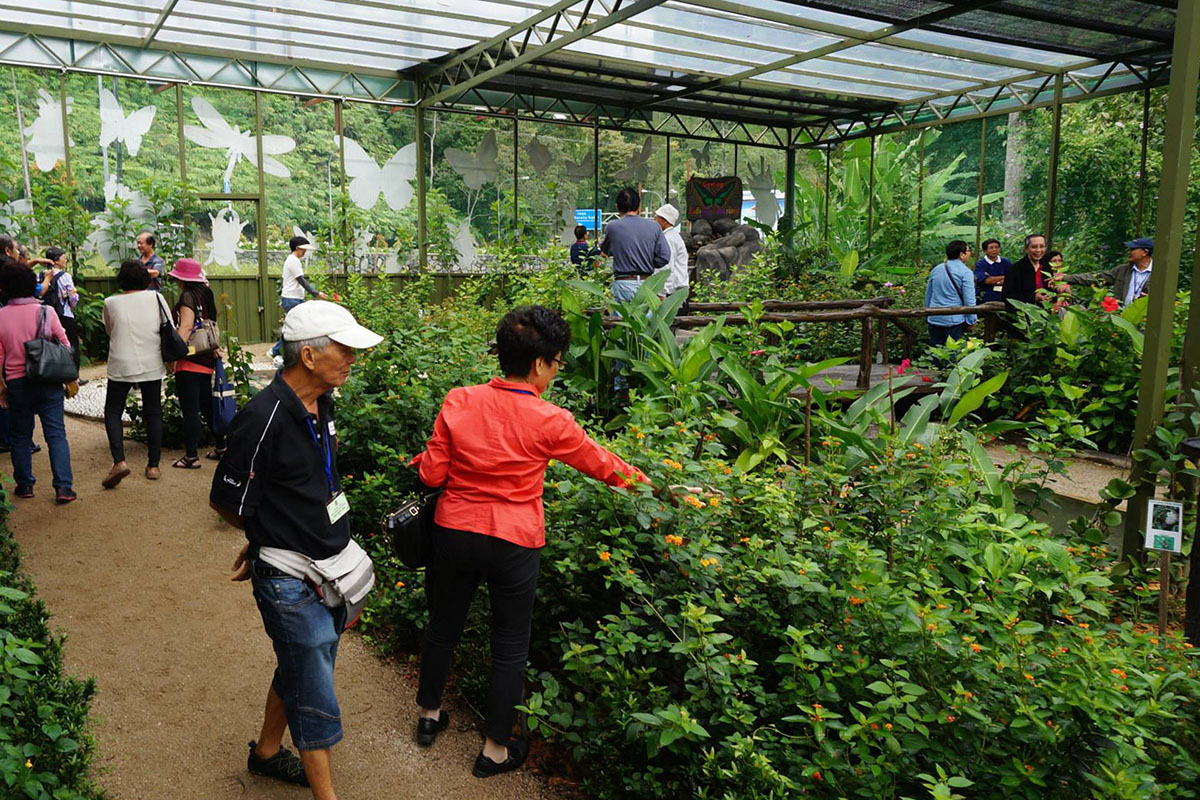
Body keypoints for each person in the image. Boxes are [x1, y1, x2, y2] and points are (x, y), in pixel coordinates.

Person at [411, 305, 652, 778]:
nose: (556, 371)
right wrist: (654, 487)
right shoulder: (551, 420)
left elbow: (432, 475)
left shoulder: (459, 401)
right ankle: (494, 751)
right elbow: (602, 464)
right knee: (509, 645)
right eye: (557, 362)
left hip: (455, 531)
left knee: (442, 627)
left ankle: (428, 716)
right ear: (540, 363)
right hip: (514, 541)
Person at [211, 300, 382, 800]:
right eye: (344, 350)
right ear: (308, 355)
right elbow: (226, 501)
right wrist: (264, 541)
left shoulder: (322, 402)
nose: (352, 359)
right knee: (313, 686)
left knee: (301, 665)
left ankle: (266, 753)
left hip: (328, 567)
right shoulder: (261, 419)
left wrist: (265, 534)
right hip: (290, 579)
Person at [0, 262, 75, 503]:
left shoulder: (1, 316)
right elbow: (65, 344)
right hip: (48, 380)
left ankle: (24, 485)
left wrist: (1, 387)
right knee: (56, 435)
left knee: (20, 436)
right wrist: (69, 377)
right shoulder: (47, 312)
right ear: (32, 285)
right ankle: (63, 488)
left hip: (17, 383)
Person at [101, 260, 166, 487]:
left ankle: (119, 461)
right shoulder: (156, 298)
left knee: (113, 411)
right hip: (151, 361)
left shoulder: (111, 302)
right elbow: (167, 325)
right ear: (145, 279)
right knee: (153, 411)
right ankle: (153, 466)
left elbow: (110, 330)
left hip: (121, 362)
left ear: (121, 280)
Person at [168, 258, 226, 468]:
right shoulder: (206, 294)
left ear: (182, 280)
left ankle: (191, 456)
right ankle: (221, 446)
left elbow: (185, 327)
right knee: (207, 406)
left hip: (190, 359)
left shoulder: (188, 297)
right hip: (206, 357)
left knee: (190, 409)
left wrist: (174, 356)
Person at [600, 188, 670, 304]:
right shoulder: (654, 226)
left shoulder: (612, 227)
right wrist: (647, 262)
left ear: (617, 206)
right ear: (638, 207)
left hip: (623, 283)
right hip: (647, 284)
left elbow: (606, 251)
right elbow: (664, 257)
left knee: (622, 315)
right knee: (645, 315)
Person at [1054, 237, 1154, 308]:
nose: (1129, 252)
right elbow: (1096, 278)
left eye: (1132, 249)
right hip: (1121, 319)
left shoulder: (1159, 274)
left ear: (1145, 252)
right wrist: (1066, 278)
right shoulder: (1122, 270)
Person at [270, 236, 325, 358]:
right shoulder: (293, 261)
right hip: (292, 298)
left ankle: (281, 351)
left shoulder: (292, 260)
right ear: (297, 248)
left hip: (293, 298)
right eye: (303, 249)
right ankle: (276, 351)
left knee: (297, 326)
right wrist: (316, 293)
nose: (305, 252)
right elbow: (301, 280)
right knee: (295, 327)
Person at [925, 240, 977, 350]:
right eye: (968, 251)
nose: (970, 253)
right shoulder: (965, 272)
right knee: (953, 353)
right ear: (961, 254)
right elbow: (969, 299)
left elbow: (928, 294)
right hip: (954, 319)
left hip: (934, 317)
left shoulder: (936, 269)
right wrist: (972, 320)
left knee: (936, 352)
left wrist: (927, 312)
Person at [37, 247, 81, 369]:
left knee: (49, 345)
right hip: (64, 314)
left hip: (45, 316)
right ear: (56, 260)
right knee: (71, 344)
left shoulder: (40, 276)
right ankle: (74, 373)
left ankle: (53, 372)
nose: (66, 260)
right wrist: (72, 303)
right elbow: (73, 297)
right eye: (63, 257)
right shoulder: (65, 276)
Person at [653, 203, 689, 300]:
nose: (654, 221)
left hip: (672, 294)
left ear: (664, 221)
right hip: (676, 292)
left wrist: (661, 292)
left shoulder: (668, 239)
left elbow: (667, 268)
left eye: (656, 218)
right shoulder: (673, 236)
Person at [973, 238, 1010, 303]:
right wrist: (1005, 277)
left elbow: (1013, 278)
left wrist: (993, 278)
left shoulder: (1006, 262)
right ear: (985, 251)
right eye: (991, 248)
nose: (994, 250)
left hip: (1004, 298)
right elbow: (987, 280)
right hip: (986, 299)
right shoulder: (980, 264)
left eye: (997, 247)